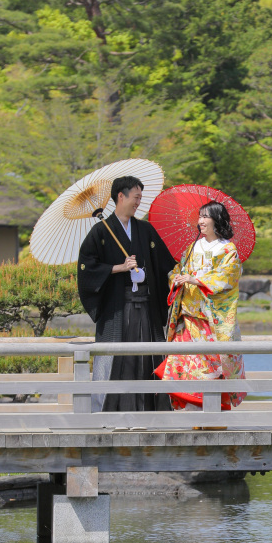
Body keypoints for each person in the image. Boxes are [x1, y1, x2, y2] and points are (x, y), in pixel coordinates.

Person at [77, 174, 176, 411]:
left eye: (140, 197)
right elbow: (86, 268)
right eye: (135, 197)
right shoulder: (100, 232)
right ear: (120, 196)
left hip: (146, 306)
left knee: (148, 356)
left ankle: (152, 411)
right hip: (116, 307)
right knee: (113, 357)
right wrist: (118, 268)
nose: (138, 202)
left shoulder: (145, 229)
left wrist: (181, 274)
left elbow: (166, 265)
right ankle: (105, 412)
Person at [159, 202, 246, 411]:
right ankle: (192, 413)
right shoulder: (192, 248)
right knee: (185, 366)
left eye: (205, 216)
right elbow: (178, 269)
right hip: (188, 318)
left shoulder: (227, 249)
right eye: (199, 216)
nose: (200, 221)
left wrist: (196, 279)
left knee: (211, 367)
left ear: (217, 219)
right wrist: (177, 278)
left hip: (211, 319)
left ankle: (213, 413)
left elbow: (228, 277)